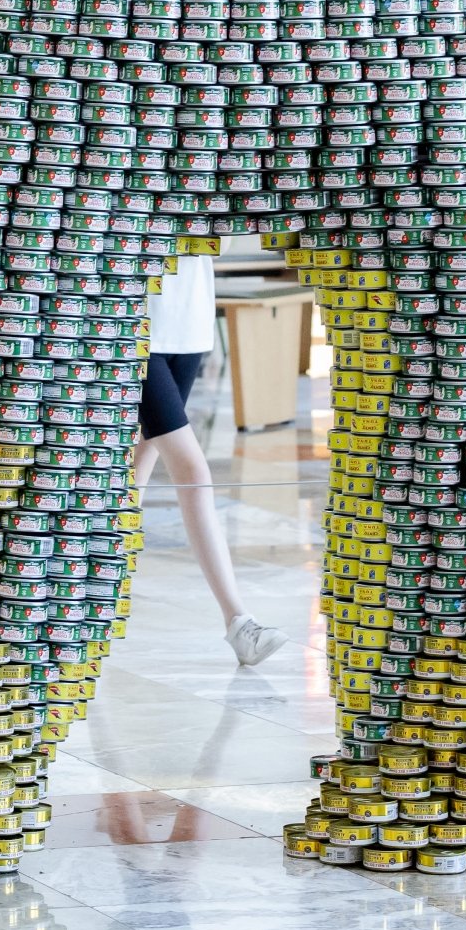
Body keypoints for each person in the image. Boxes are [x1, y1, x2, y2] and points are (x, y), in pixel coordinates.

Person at [133, 252, 286, 666]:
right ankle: (238, 621)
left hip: (189, 325)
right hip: (138, 326)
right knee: (192, 469)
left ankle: (94, 595)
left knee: (140, 464)